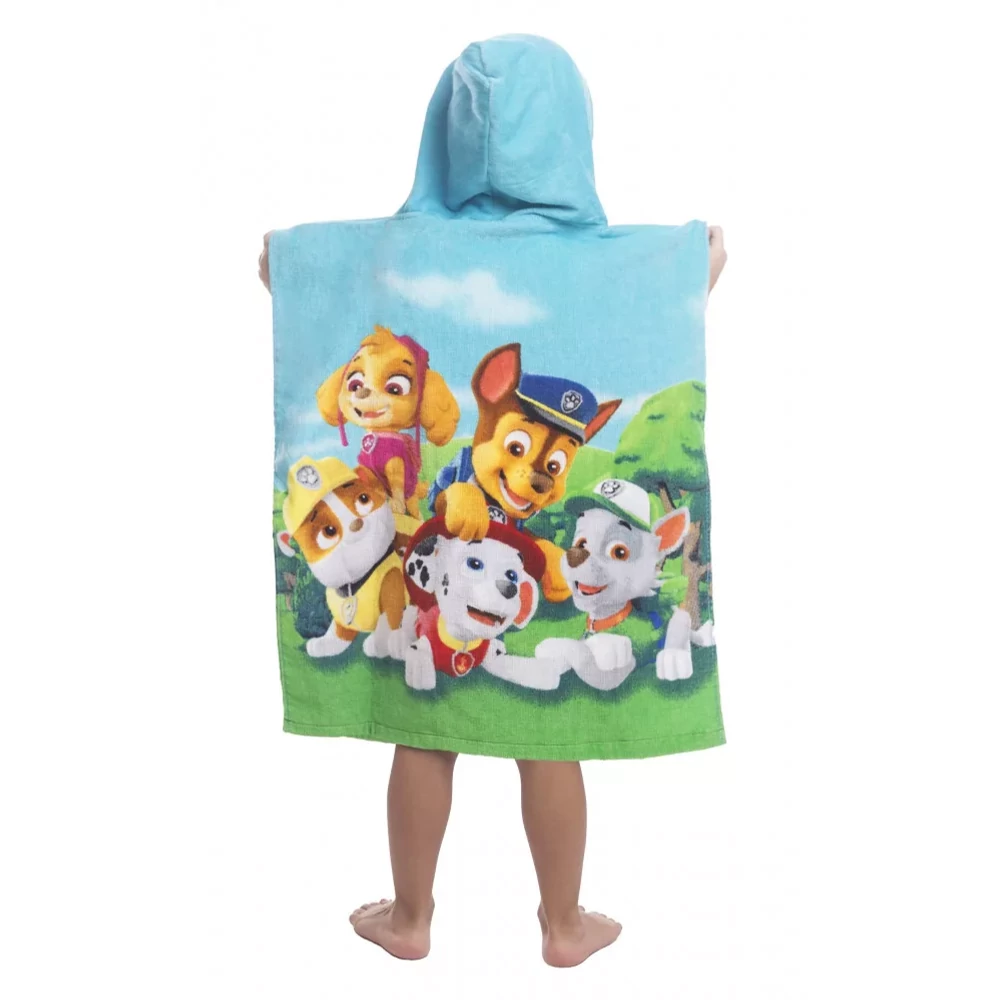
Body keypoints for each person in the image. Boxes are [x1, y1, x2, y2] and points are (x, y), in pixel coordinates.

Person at [258, 227, 725, 967]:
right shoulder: (582, 245)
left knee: (425, 735)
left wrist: (291, 276)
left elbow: (344, 278)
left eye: (554, 462)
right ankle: (564, 925)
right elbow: (632, 290)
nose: (537, 474)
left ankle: (411, 919)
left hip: (489, 606)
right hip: (449, 596)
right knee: (549, 747)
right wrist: (690, 273)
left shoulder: (413, 240)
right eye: (520, 448)